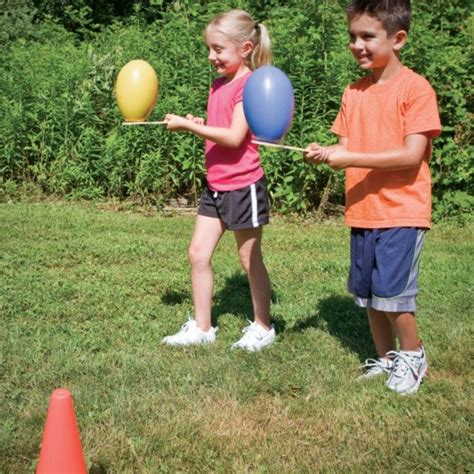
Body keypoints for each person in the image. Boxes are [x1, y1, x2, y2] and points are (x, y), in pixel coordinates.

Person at [305, 0, 441, 394]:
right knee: (367, 294)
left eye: (367, 36)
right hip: (363, 210)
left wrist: (349, 156)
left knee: (393, 294)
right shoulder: (354, 92)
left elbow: (412, 154)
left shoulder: (415, 89)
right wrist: (327, 154)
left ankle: (413, 357)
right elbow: (344, 148)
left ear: (398, 39)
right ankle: (385, 360)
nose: (357, 45)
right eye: (352, 36)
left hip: (402, 210)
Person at [162, 9, 275, 351]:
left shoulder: (249, 85)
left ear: (244, 48)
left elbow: (235, 136)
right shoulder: (219, 84)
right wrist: (200, 121)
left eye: (218, 49)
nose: (211, 56)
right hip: (215, 185)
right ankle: (202, 326)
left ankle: (263, 326)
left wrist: (190, 126)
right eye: (209, 49)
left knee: (248, 259)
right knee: (198, 253)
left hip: (243, 186)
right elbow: (220, 126)